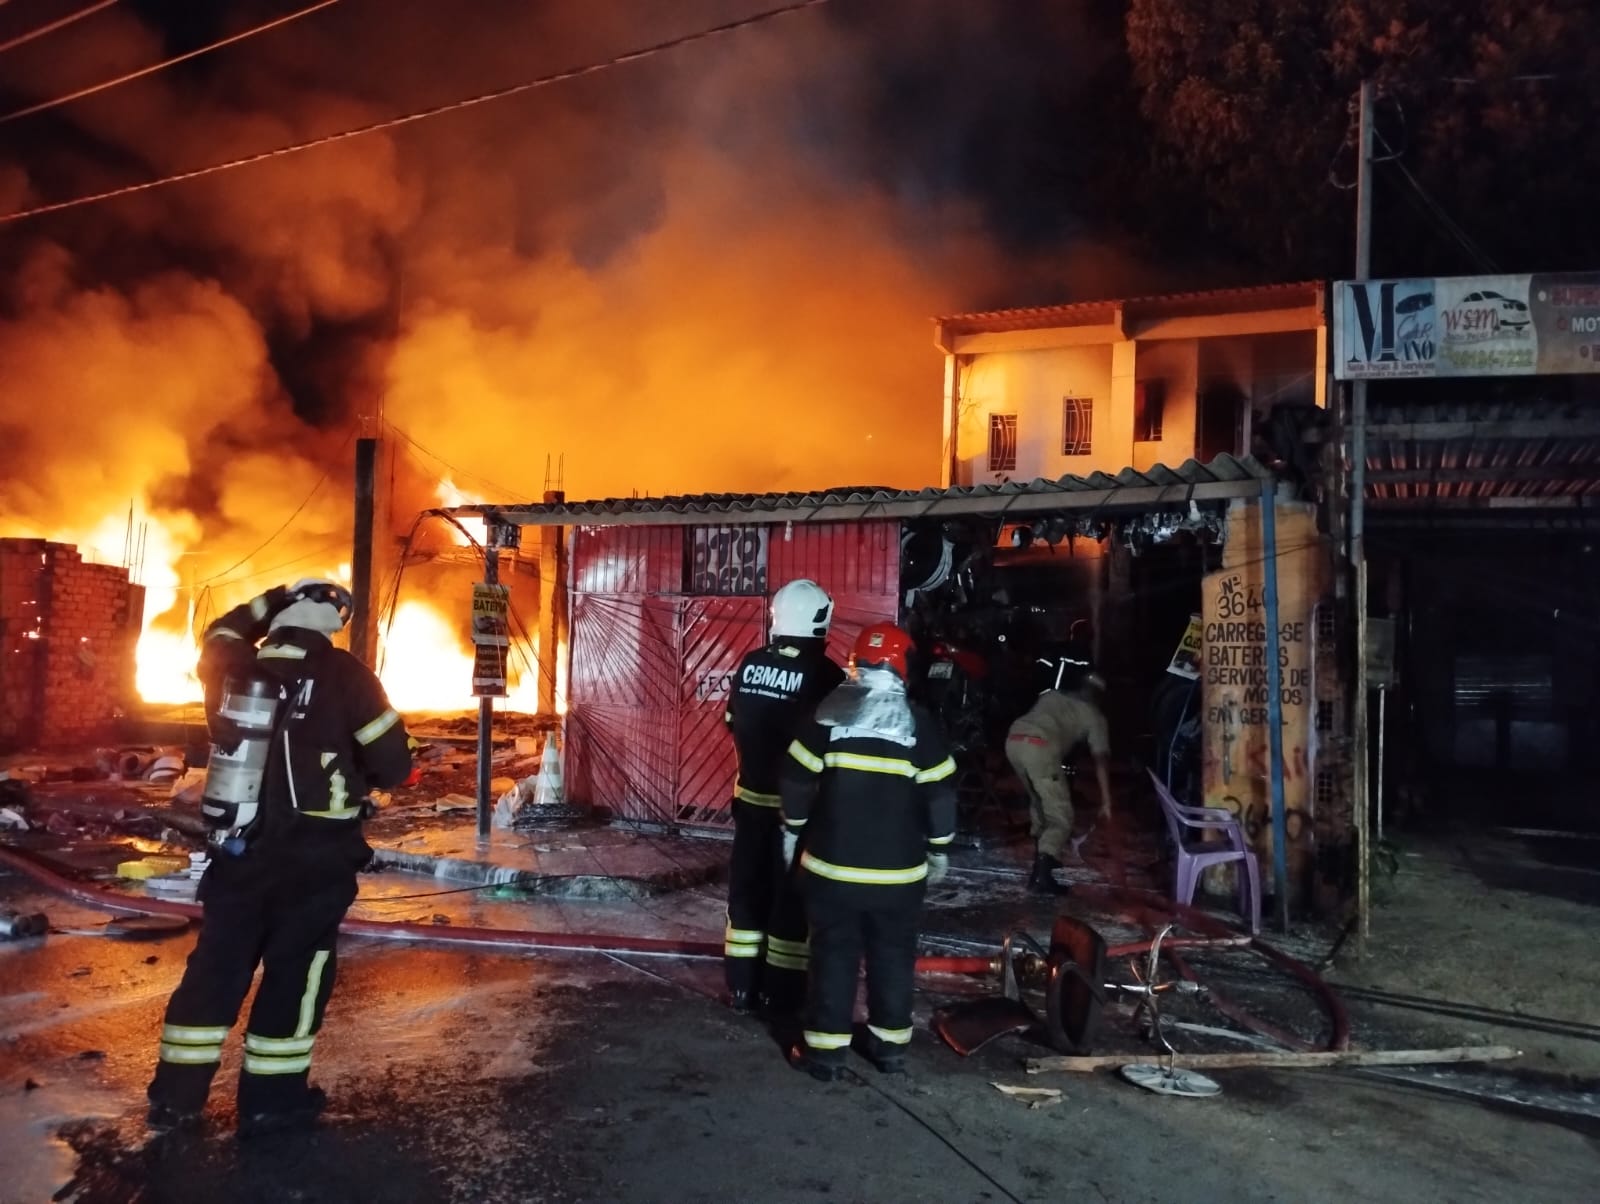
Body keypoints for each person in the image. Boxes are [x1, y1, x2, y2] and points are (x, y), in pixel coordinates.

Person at [146, 579, 412, 1137]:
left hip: (239, 852)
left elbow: (220, 630)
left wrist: (268, 598)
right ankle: (273, 1100)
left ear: (279, 621)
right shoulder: (346, 676)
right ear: (333, 625)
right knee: (297, 972)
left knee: (216, 969)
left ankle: (175, 1097)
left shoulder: (232, 666)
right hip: (316, 860)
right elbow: (392, 763)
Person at [779, 623, 956, 1081]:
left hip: (831, 872)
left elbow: (796, 780)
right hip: (898, 880)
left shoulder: (830, 714)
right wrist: (939, 850)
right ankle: (889, 1048)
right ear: (903, 664)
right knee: (893, 956)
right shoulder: (918, 724)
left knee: (833, 953)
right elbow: (941, 795)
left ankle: (824, 1055)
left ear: (856, 661)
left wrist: (794, 831)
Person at [721, 579, 846, 1014]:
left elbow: (731, 720)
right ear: (820, 620)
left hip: (749, 805)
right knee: (788, 902)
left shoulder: (751, 663)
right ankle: (781, 992)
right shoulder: (828, 677)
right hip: (797, 813)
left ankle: (740, 988)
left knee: (746, 894)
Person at [1004, 654, 1114, 895]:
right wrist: (1106, 801)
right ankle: (1042, 876)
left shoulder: (1053, 695)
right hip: (1039, 748)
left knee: (1040, 802)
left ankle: (1045, 856)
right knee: (1061, 816)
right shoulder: (1094, 716)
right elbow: (1100, 760)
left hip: (1014, 741)